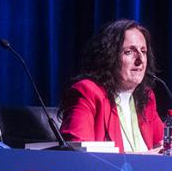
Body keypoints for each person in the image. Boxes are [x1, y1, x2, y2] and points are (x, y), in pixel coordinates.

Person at [60, 19, 164, 153]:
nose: (140, 60)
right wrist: (144, 157)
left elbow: (170, 148)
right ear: (109, 57)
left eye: (143, 51)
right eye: (129, 52)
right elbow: (77, 152)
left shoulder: (145, 98)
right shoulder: (88, 92)